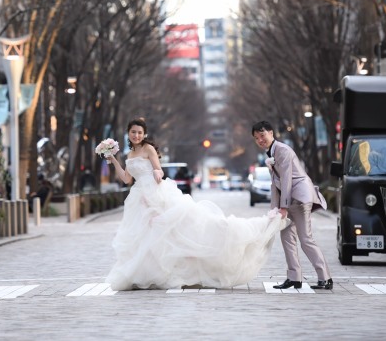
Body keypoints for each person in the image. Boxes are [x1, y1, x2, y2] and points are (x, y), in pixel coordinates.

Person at [104, 117, 287, 291]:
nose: (136, 135)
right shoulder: (130, 154)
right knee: (147, 237)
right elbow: (126, 178)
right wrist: (113, 160)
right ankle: (149, 273)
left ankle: (249, 232)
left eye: (139, 132)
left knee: (178, 231)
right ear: (128, 133)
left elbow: (158, 169)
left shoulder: (148, 149)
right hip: (139, 198)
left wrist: (157, 174)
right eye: (133, 132)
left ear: (144, 134)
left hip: (155, 194)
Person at [252, 120, 333, 290]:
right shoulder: (271, 153)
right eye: (256, 138)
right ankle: (294, 278)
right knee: (287, 238)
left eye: (262, 135)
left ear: (271, 133)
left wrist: (283, 207)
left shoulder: (283, 150)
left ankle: (325, 278)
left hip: (300, 198)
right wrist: (274, 210)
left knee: (306, 239)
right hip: (290, 200)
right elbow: (275, 184)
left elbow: (287, 179)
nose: (260, 140)